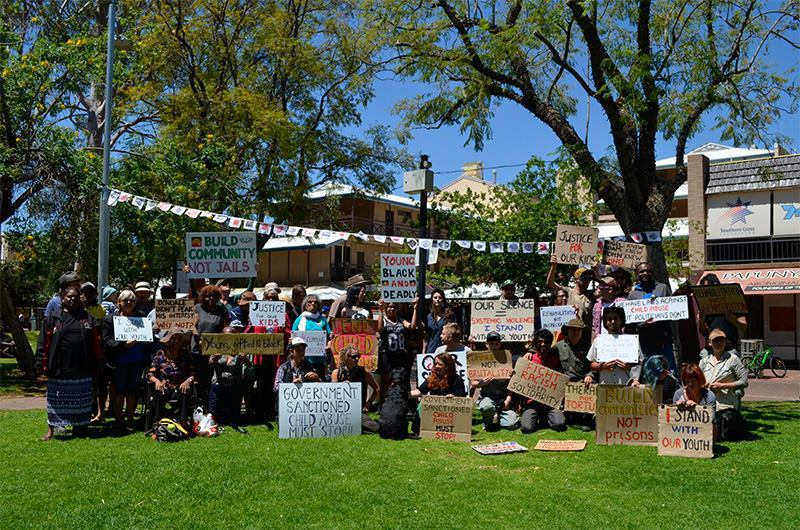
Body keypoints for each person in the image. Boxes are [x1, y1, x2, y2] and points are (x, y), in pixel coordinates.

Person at [36, 286, 101, 440]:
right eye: (69, 297)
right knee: (55, 399)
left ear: (80, 299)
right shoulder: (53, 318)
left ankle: (80, 428)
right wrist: (39, 362)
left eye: (75, 297)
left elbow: (96, 341)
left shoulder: (87, 317)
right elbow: (43, 341)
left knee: (81, 399)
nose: (72, 299)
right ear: (62, 298)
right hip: (59, 366)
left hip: (82, 365)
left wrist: (98, 361)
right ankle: (52, 429)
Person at [103, 289, 150, 431]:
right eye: (125, 300)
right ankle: (118, 419)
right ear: (118, 302)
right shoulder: (110, 319)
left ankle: (130, 419)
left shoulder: (142, 317)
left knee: (133, 391)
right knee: (119, 391)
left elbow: (148, 339)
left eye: (132, 300)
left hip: (137, 360)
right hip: (119, 361)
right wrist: (123, 345)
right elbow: (106, 342)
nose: (129, 303)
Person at [699, 328, 748, 440]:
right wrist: (704, 384)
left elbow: (744, 381)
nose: (718, 343)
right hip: (707, 405)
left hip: (725, 406)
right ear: (709, 343)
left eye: (721, 340)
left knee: (718, 423)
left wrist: (723, 385)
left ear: (726, 342)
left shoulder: (733, 359)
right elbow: (698, 380)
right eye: (715, 340)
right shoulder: (704, 361)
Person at [627, 261, 676, 371]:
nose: (645, 273)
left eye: (648, 271)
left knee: (669, 370)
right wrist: (643, 323)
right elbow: (631, 322)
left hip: (664, 339)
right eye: (642, 271)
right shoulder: (633, 295)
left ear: (652, 273)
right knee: (649, 371)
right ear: (637, 274)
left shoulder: (663, 288)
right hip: (645, 341)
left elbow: (674, 310)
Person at [519, 329, 566, 433]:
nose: (542, 344)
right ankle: (535, 417)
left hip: (550, 403)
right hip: (532, 402)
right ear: (535, 343)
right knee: (526, 428)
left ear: (550, 344)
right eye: (539, 342)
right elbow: (519, 379)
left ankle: (545, 418)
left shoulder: (555, 360)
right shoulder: (529, 359)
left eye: (546, 342)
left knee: (560, 424)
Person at [471, 331, 517, 431]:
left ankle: (500, 416)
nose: (494, 346)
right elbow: (473, 383)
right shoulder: (480, 360)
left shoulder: (507, 360)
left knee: (511, 424)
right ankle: (487, 421)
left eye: (496, 344)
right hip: (487, 397)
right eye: (491, 344)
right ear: (486, 344)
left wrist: (508, 399)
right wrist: (481, 383)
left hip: (502, 399)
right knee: (487, 407)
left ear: (500, 344)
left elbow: (511, 384)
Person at [147, 330, 195, 424]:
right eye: (173, 338)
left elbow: (193, 373)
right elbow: (150, 373)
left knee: (185, 391)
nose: (176, 341)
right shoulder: (160, 354)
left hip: (180, 385)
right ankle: (158, 422)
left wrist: (188, 381)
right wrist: (157, 381)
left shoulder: (186, 355)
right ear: (168, 340)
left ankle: (183, 422)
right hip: (164, 385)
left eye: (179, 339)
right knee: (158, 392)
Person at [554, 319, 594, 430]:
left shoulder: (588, 347)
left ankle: (586, 418)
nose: (574, 333)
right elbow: (546, 358)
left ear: (581, 331)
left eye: (577, 330)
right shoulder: (558, 346)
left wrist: (590, 375)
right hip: (564, 384)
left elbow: (594, 366)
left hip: (582, 383)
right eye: (572, 330)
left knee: (591, 385)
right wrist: (530, 353)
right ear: (567, 331)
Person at [587, 306, 643, 385]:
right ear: (605, 322)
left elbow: (639, 362)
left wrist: (629, 367)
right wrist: (602, 367)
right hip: (605, 385)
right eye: (609, 319)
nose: (613, 321)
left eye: (616, 318)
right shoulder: (598, 341)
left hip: (626, 386)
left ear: (621, 321)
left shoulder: (632, 341)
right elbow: (591, 363)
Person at [208, 326, 250, 431]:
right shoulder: (216, 347)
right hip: (218, 382)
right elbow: (209, 363)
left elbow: (249, 365)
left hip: (234, 384)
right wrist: (214, 358)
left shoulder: (239, 349)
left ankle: (233, 418)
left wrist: (243, 358)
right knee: (215, 413)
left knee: (234, 415)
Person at [332, 344, 380, 433]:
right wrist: (341, 386)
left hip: (357, 410)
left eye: (358, 356)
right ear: (346, 357)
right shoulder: (336, 372)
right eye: (354, 357)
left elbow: (377, 389)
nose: (357, 359)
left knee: (375, 428)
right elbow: (332, 392)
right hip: (340, 411)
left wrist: (368, 403)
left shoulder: (364, 372)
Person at [377, 298, 419, 397]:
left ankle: (403, 401)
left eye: (394, 307)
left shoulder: (401, 320)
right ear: (386, 308)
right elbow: (379, 328)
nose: (392, 309)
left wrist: (415, 309)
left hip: (400, 355)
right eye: (389, 307)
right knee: (386, 380)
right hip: (387, 356)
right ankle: (383, 404)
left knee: (402, 379)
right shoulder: (383, 320)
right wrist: (380, 310)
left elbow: (412, 326)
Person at [697, 274, 748, 352]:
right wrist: (701, 321)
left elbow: (744, 326)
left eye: (707, 288)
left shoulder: (732, 301)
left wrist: (734, 320)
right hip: (711, 349)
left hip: (729, 348)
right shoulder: (706, 305)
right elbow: (704, 333)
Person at [546, 255, 595, 332]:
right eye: (585, 279)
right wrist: (553, 266)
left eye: (590, 279)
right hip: (570, 333)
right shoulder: (568, 291)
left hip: (586, 335)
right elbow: (550, 283)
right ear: (577, 280)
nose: (588, 281)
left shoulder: (591, 294)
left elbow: (607, 287)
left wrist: (596, 272)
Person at [274, 337, 321, 415]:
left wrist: (317, 379)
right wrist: (291, 386)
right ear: (291, 351)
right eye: (298, 350)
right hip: (287, 407)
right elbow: (276, 387)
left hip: (305, 407)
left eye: (303, 350)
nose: (301, 352)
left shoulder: (309, 367)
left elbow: (319, 388)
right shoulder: (283, 368)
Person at [673, 363, 718, 436]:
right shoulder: (678, 394)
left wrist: (697, 408)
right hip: (682, 431)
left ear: (699, 380)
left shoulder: (709, 396)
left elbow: (711, 418)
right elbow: (673, 418)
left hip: (703, 433)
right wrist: (676, 407)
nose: (690, 384)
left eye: (693, 381)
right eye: (687, 381)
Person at [590, 277, 625, 341]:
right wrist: (593, 343)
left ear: (610, 290)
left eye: (601, 288)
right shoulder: (597, 305)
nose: (599, 290)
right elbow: (594, 328)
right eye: (598, 287)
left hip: (620, 341)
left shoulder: (622, 303)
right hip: (602, 343)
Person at [423, 288, 456, 353]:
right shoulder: (429, 317)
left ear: (443, 299)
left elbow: (454, 333)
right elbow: (426, 338)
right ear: (432, 299)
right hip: (431, 350)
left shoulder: (449, 315)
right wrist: (423, 352)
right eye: (435, 297)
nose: (437, 299)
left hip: (445, 350)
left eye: (440, 297)